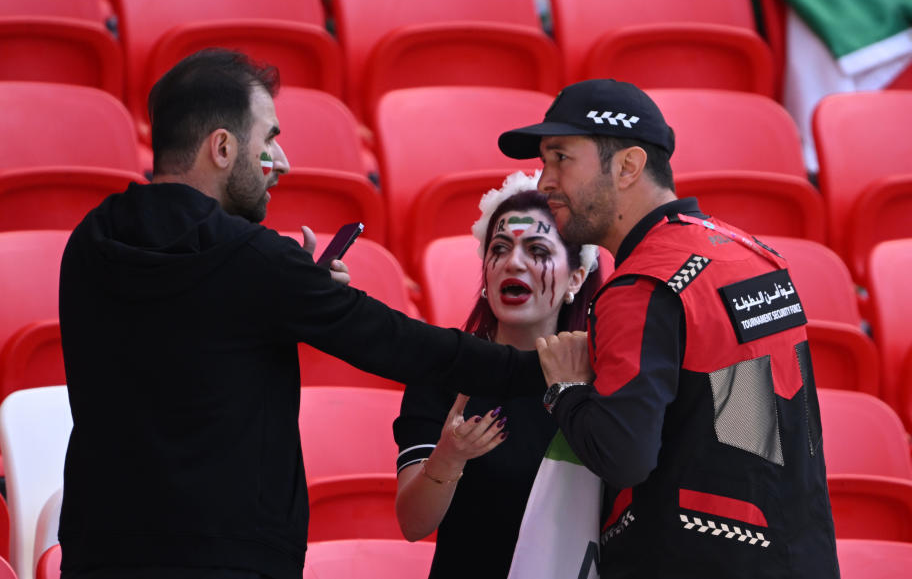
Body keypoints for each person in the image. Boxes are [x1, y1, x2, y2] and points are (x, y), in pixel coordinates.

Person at [57, 49, 549, 579]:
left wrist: (294, 292)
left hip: (97, 552)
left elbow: (198, 325)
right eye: (268, 139)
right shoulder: (257, 261)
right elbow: (397, 343)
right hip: (227, 559)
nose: (283, 162)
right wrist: (539, 367)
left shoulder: (89, 242)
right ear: (222, 147)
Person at [496, 79, 841, 578]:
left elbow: (623, 457)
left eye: (561, 157)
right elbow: (752, 426)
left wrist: (566, 390)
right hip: (797, 555)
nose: (543, 181)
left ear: (629, 166)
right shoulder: (749, 256)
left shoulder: (642, 284)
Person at [392, 172, 602, 578]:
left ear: (576, 277)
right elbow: (413, 524)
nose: (513, 262)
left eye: (536, 249)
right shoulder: (444, 371)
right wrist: (448, 458)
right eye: (500, 248)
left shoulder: (605, 377)